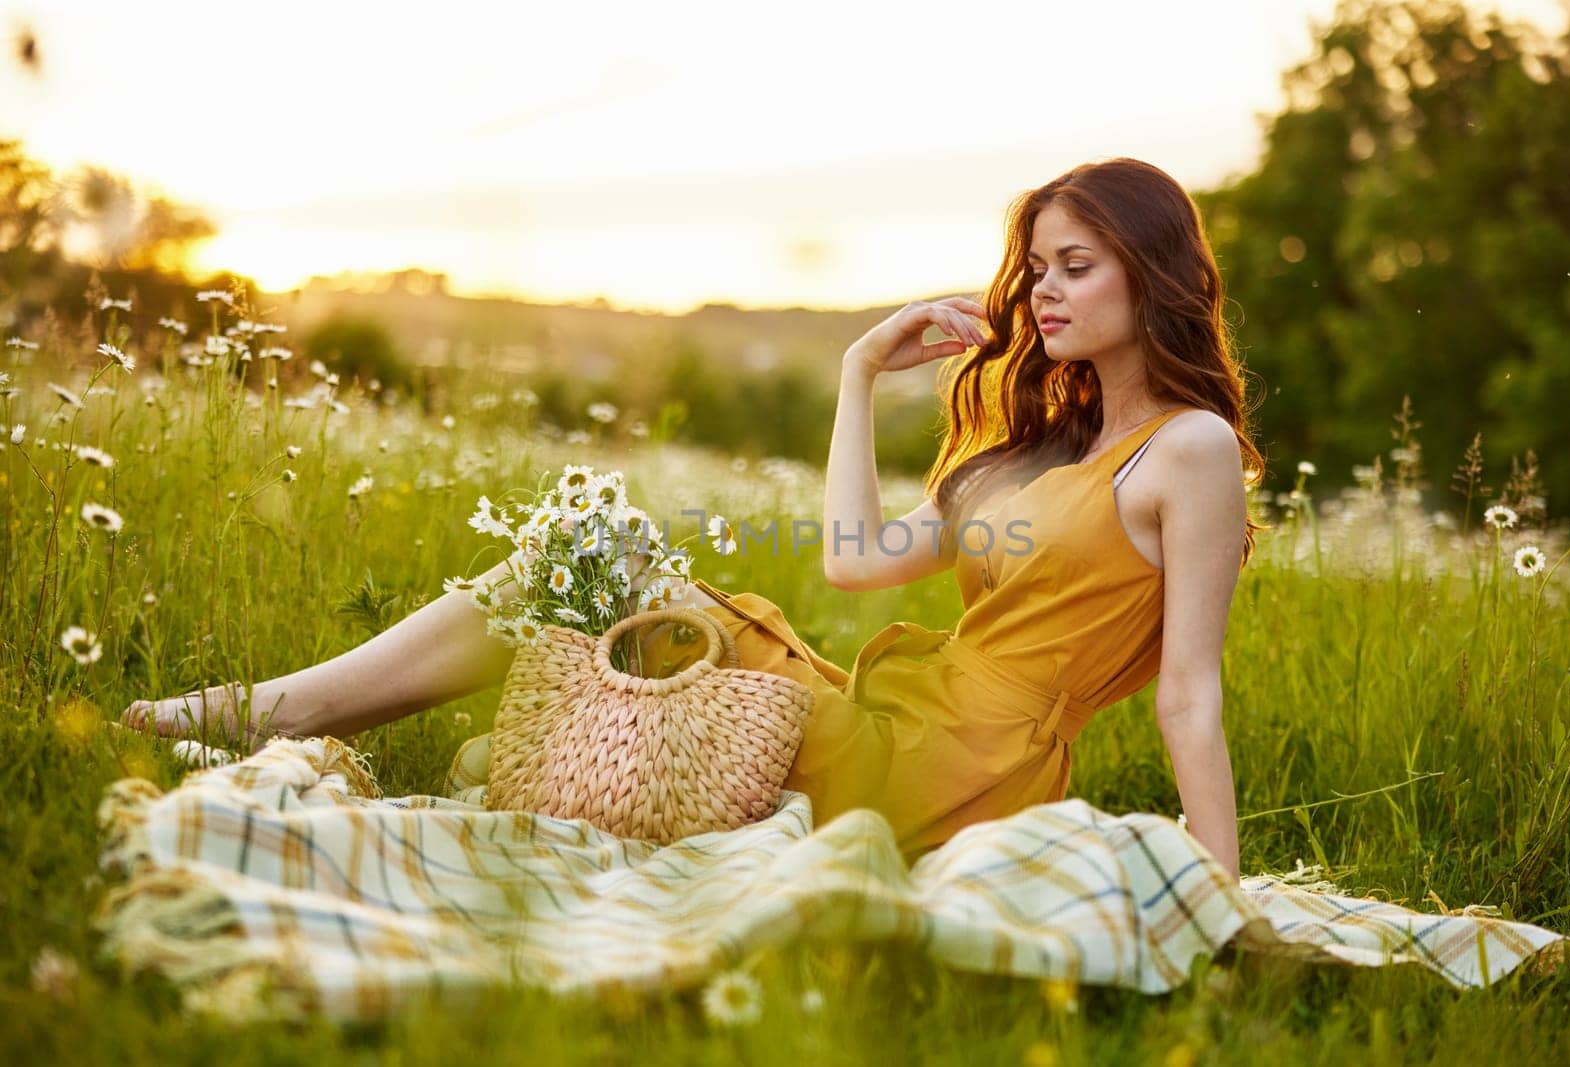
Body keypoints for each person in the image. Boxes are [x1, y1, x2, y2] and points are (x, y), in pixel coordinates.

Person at [122, 157, 1264, 877]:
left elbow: (1188, 689)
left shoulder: (1191, 449)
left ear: (1150, 275)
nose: (1044, 292)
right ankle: (276, 709)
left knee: (597, 560)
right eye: (1036, 270)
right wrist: (859, 374)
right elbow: (856, 560)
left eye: (1075, 266)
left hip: (956, 768)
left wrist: (1221, 896)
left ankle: (268, 711)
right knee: (590, 562)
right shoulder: (1052, 450)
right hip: (899, 720)